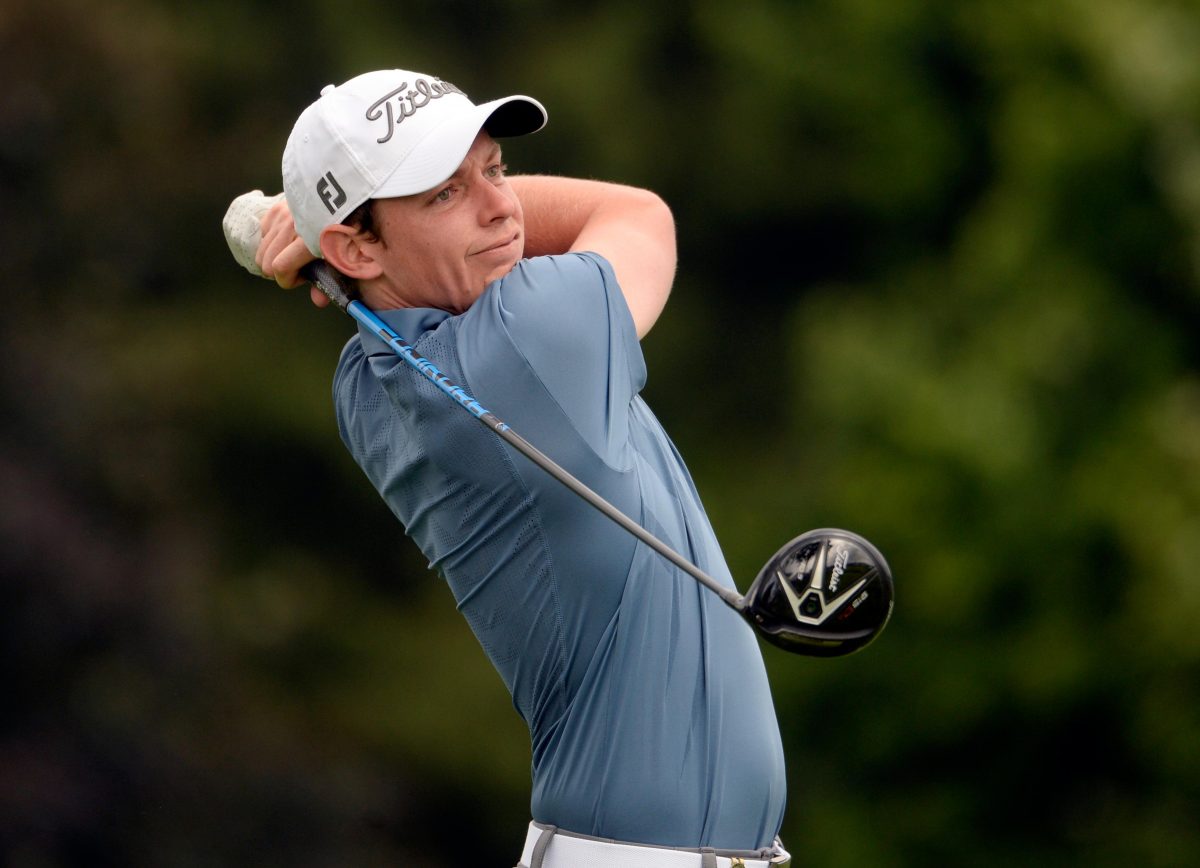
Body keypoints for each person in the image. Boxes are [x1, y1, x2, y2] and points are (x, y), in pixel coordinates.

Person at [247, 68, 789, 868]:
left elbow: (392, 288)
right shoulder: (530, 337)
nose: (502, 206)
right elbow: (639, 214)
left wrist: (335, 240)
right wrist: (319, 236)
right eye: (445, 191)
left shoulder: (362, 383)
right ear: (356, 246)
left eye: (495, 169)